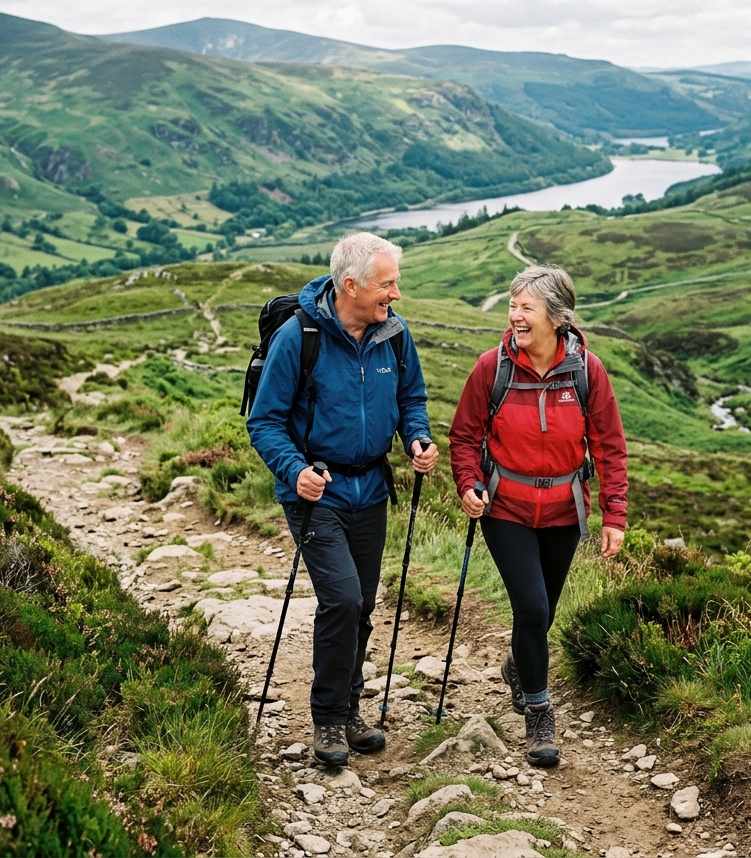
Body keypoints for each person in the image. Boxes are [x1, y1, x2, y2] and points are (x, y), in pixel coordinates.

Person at [248, 232, 438, 766]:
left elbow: (410, 398)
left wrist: (416, 438)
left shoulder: (394, 335)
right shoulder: (297, 337)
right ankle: (328, 720)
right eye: (387, 284)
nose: (396, 294)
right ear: (350, 285)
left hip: (372, 489)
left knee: (362, 606)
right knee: (343, 600)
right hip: (318, 493)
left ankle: (350, 707)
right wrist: (295, 471)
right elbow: (263, 422)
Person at [449, 265, 627, 766]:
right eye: (512, 307)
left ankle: (518, 665)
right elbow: (464, 436)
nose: (515, 317)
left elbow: (610, 447)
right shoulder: (493, 367)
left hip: (564, 512)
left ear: (557, 316)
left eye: (526, 308)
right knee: (531, 609)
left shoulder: (587, 371)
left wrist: (614, 515)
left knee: (542, 612)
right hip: (505, 508)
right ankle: (538, 711)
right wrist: (469, 484)